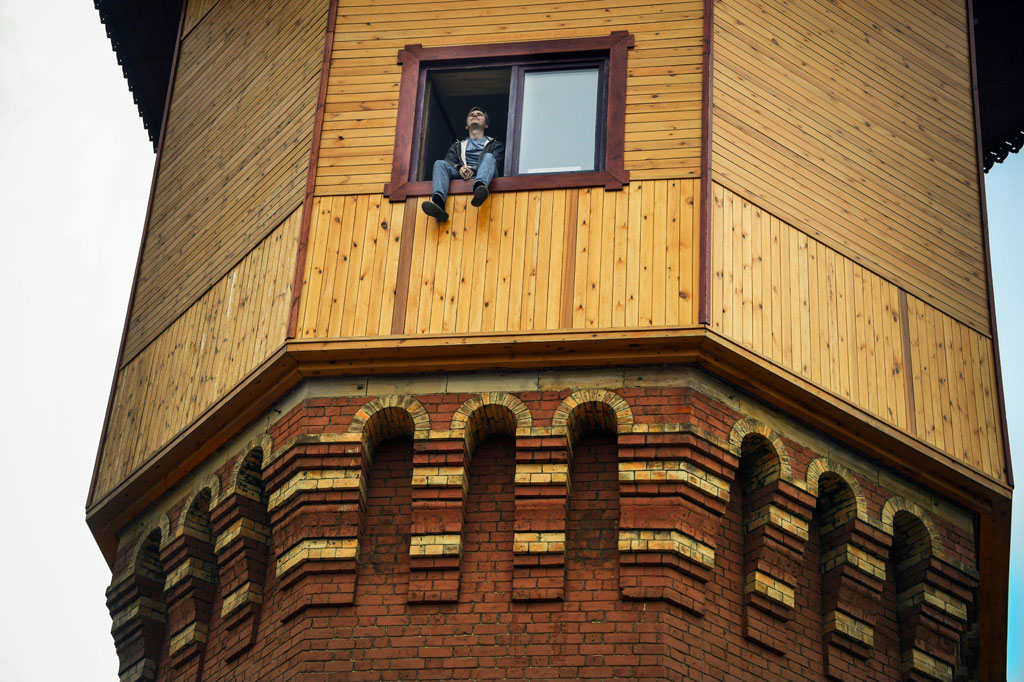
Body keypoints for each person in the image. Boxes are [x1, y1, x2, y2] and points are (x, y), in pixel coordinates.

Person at [421, 106, 505, 221]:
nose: (475, 115)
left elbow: (497, 161)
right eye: (472, 115)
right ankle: (438, 205)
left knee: (489, 157)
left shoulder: (495, 144)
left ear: (486, 125)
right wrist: (459, 167)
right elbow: (448, 161)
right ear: (466, 126)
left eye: (479, 114)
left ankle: (480, 189)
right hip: (462, 174)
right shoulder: (457, 145)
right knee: (439, 164)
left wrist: (474, 169)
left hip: (485, 176)